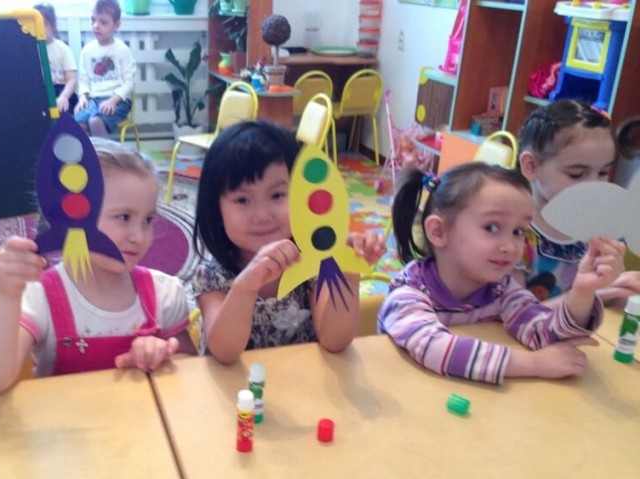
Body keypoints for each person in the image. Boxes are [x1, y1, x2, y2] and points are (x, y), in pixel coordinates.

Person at [0, 140, 195, 396]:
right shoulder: (38, 296)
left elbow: (190, 365)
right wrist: (7, 295)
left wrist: (161, 355)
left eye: (148, 220)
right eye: (123, 217)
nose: (138, 236)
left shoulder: (164, 293)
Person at [378, 162, 624, 384]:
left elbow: (543, 334)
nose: (511, 246)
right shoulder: (408, 292)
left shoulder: (502, 290)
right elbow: (434, 347)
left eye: (519, 231)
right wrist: (534, 364)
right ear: (439, 231)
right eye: (492, 227)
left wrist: (583, 292)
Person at [191, 121, 386, 365]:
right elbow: (224, 352)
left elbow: (335, 340)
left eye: (277, 195)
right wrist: (246, 286)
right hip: (239, 388)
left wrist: (347, 266)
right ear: (217, 211)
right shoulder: (212, 277)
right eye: (242, 200)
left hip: (301, 383)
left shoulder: (314, 264)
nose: (262, 215)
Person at [517, 99, 640, 305]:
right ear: (531, 166)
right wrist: (589, 295)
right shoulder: (512, 232)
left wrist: (622, 290)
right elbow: (514, 315)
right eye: (577, 174)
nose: (594, 186)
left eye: (603, 172)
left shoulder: (600, 229)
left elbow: (608, 300)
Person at [73, 0, 135, 137]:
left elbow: (129, 82)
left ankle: (106, 151)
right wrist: (82, 98)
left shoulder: (122, 50)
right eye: (93, 20)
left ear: (116, 25)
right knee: (78, 123)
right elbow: (83, 80)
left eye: (103, 22)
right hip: (93, 100)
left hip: (118, 100)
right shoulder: (87, 50)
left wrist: (113, 101)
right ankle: (93, 151)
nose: (96, 26)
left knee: (95, 122)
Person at [34, 3, 78, 114]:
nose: (40, 28)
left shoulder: (63, 48)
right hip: (40, 91)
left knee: (63, 110)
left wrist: (64, 96)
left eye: (44, 24)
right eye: (36, 25)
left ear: (53, 25)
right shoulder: (31, 49)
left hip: (60, 90)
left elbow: (71, 80)